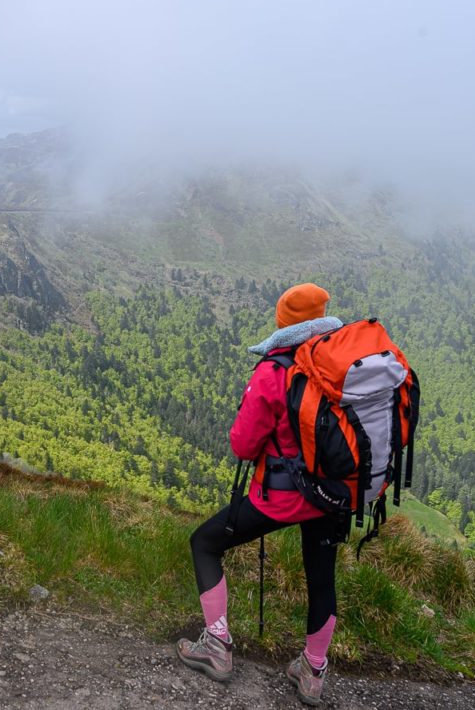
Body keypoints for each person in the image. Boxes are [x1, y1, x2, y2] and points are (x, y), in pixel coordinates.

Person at [176, 282, 343, 706]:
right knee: (321, 577)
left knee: (206, 543)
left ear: (283, 324)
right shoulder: (341, 363)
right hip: (336, 496)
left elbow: (244, 445)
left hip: (284, 497)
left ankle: (217, 646)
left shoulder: (275, 370)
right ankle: (313, 670)